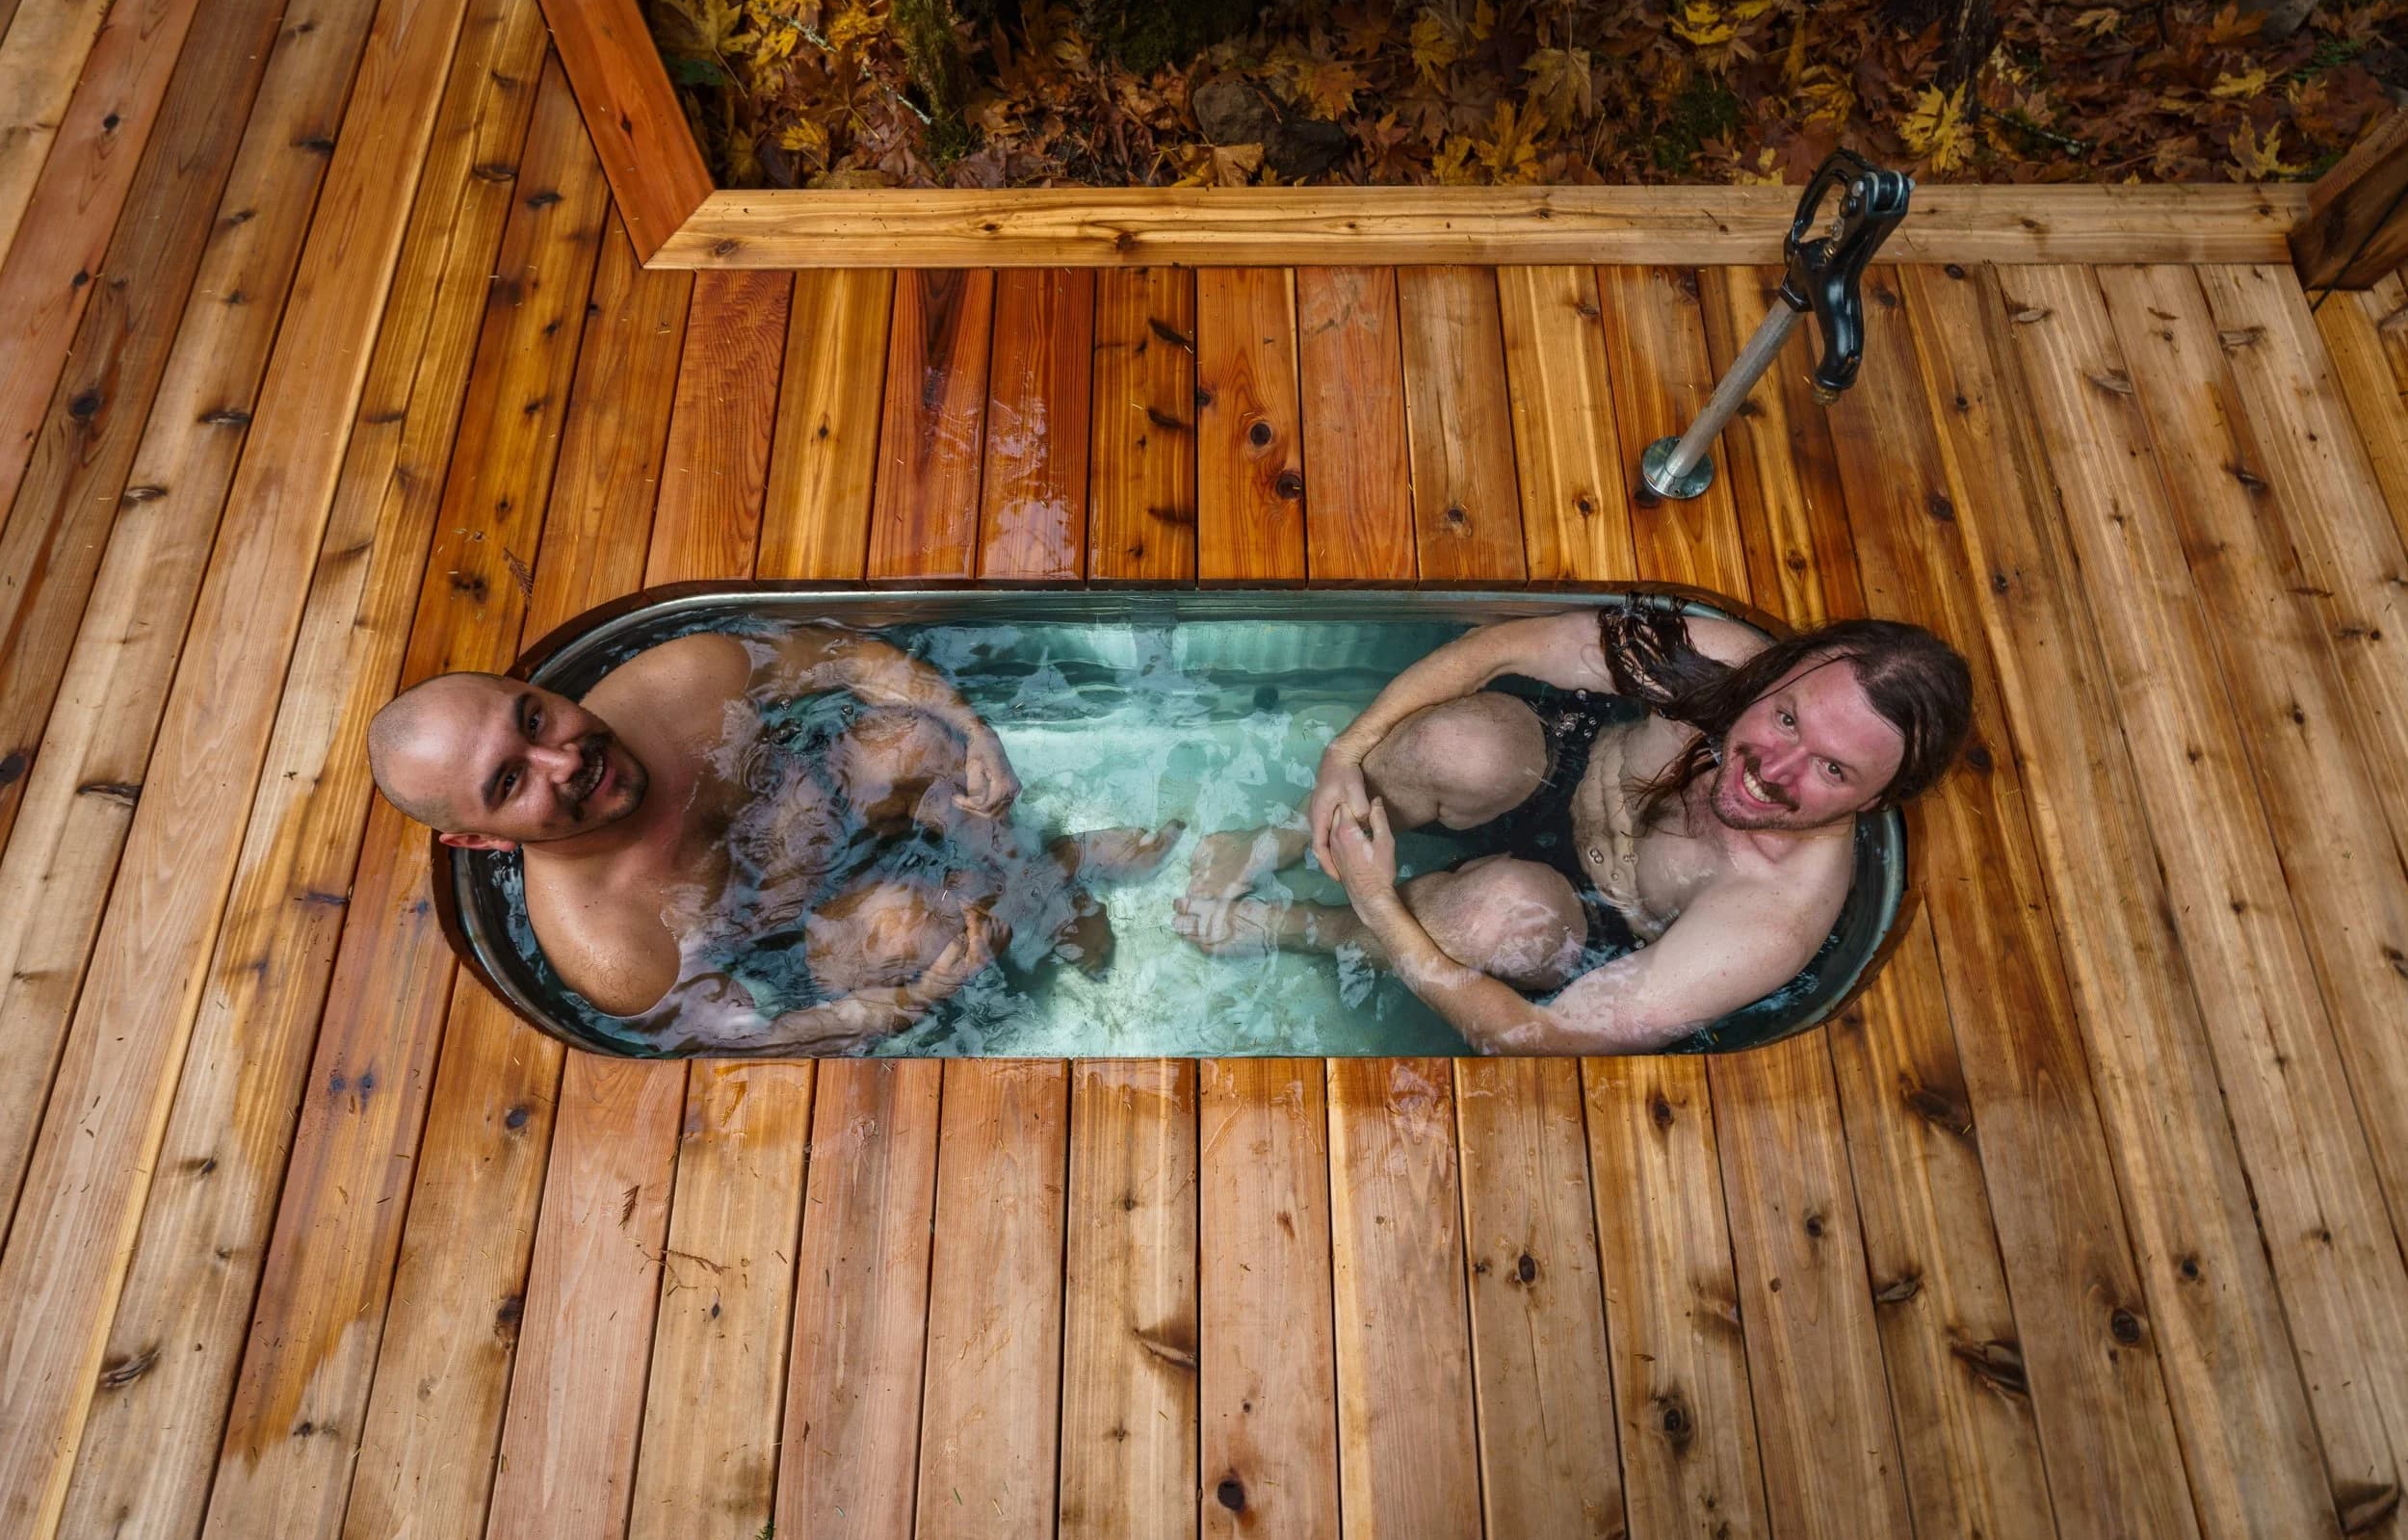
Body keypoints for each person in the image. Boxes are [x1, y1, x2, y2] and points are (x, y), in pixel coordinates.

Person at [1174, 602, 1970, 1054]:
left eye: (1833, 770)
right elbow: (1503, 647)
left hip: (1599, 921)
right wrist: (1343, 755)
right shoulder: (1716, 664)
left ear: (1872, 801)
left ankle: (1299, 924)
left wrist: (1380, 901)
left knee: (1500, 919)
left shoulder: (1772, 916)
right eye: (1787, 716)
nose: (1774, 767)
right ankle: (1274, 841)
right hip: (1572, 763)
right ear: (1779, 674)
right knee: (1454, 744)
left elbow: (1538, 1038)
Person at [369, 626, 1177, 1054]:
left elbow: (843, 657)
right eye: (512, 781)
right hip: (783, 941)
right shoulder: (616, 949)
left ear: (533, 688)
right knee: (907, 924)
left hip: (816, 808)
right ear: (478, 840)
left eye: (534, 717)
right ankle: (1056, 879)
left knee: (912, 742)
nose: (565, 759)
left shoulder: (678, 683)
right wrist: (926, 996)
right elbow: (765, 1039)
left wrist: (972, 730)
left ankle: (1046, 869)